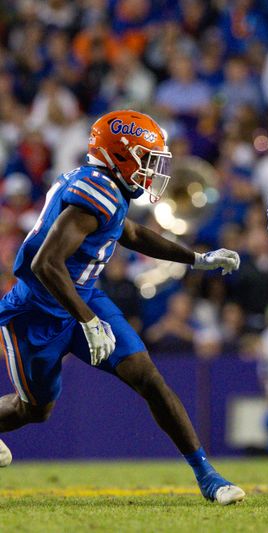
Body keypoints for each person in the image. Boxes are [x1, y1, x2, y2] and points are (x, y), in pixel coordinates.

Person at [0, 110, 245, 505]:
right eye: (148, 160)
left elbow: (129, 232)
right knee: (33, 410)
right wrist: (89, 320)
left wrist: (195, 259)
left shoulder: (108, 188)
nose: (153, 171)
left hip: (83, 296)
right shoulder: (93, 192)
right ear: (120, 155)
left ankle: (207, 476)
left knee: (148, 377)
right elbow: (45, 264)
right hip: (36, 311)